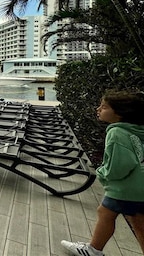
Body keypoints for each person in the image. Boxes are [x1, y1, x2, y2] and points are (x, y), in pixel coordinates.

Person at [62, 90, 144, 256]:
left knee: (105, 213)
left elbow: (119, 166)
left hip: (125, 188)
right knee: (138, 220)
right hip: (139, 185)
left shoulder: (116, 133)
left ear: (120, 113)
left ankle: (93, 250)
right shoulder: (137, 130)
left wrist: (103, 173)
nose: (98, 109)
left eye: (104, 107)